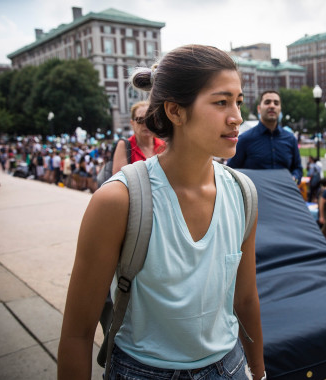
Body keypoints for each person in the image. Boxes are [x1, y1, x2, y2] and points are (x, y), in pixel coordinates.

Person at [59, 45, 265, 380]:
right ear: (176, 111)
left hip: (230, 367)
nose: (237, 117)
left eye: (238, 102)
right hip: (140, 370)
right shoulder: (118, 200)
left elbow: (245, 300)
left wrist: (259, 372)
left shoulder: (243, 193)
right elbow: (77, 334)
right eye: (221, 102)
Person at [228, 90, 302, 184]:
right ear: (259, 108)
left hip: (284, 195)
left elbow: (298, 168)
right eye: (267, 102)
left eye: (276, 103)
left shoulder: (290, 139)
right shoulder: (245, 139)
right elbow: (231, 171)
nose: (272, 106)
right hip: (256, 197)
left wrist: (295, 178)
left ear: (280, 109)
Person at [112, 100, 166, 175]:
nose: (146, 124)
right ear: (132, 123)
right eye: (140, 120)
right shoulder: (124, 145)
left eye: (150, 119)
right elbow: (119, 180)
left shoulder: (164, 145)